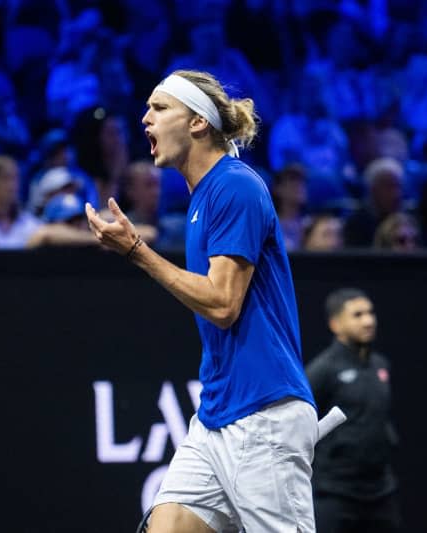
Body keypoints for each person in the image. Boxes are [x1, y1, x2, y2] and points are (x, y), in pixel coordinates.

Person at [85, 69, 317, 532]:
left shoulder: (235, 185)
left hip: (263, 414)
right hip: (215, 416)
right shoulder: (201, 199)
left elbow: (223, 304)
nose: (145, 118)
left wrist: (137, 252)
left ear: (198, 123)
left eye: (160, 107)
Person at [305, 288, 400, 533]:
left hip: (381, 492)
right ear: (335, 324)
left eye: (370, 313)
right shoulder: (322, 370)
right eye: (357, 315)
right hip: (334, 494)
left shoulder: (381, 365)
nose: (368, 321)